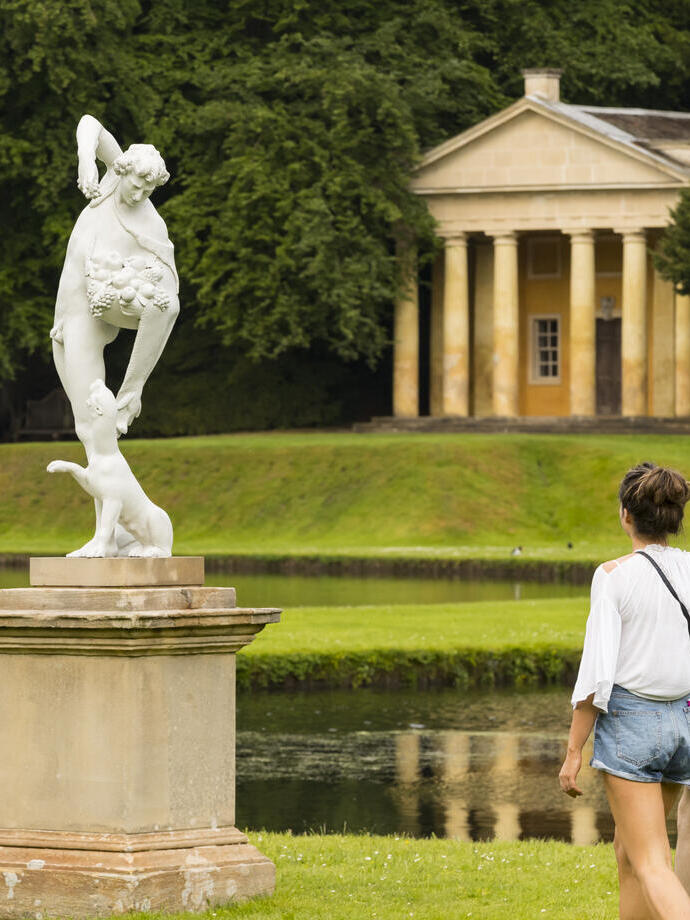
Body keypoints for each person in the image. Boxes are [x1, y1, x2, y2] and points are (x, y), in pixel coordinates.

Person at [559, 462, 690, 920]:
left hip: (633, 725)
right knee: (630, 854)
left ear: (626, 516)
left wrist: (574, 749)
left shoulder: (613, 575)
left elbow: (596, 676)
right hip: (683, 723)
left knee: (651, 862)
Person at [51, 114, 180, 556]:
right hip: (67, 317)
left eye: (150, 190)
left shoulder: (150, 225)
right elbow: (88, 122)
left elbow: (165, 305)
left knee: (95, 428)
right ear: (121, 171)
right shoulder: (111, 178)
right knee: (88, 431)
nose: (140, 195)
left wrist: (133, 386)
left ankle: (114, 535)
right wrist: (87, 160)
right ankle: (121, 532)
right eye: (136, 186)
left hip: (92, 317)